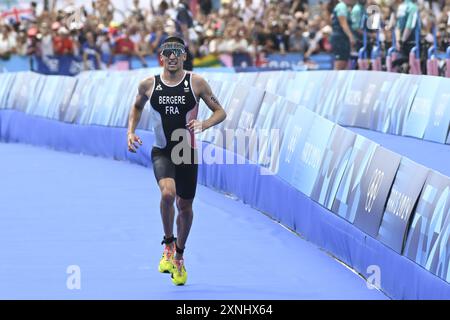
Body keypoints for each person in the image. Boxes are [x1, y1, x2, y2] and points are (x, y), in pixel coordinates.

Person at [126, 36, 226, 285]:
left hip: (186, 153)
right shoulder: (149, 85)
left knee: (185, 207)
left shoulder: (197, 83)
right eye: (167, 52)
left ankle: (179, 256)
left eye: (177, 52)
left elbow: (221, 112)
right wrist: (131, 131)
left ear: (183, 56)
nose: (172, 56)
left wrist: (204, 123)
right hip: (162, 151)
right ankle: (168, 244)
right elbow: (137, 107)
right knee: (168, 194)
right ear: (161, 56)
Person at [330, 0, 355, 70]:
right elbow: (343, 23)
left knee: (345, 63)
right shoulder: (341, 6)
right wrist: (351, 37)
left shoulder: (345, 7)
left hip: (343, 39)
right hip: (340, 39)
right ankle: (335, 80)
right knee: (340, 63)